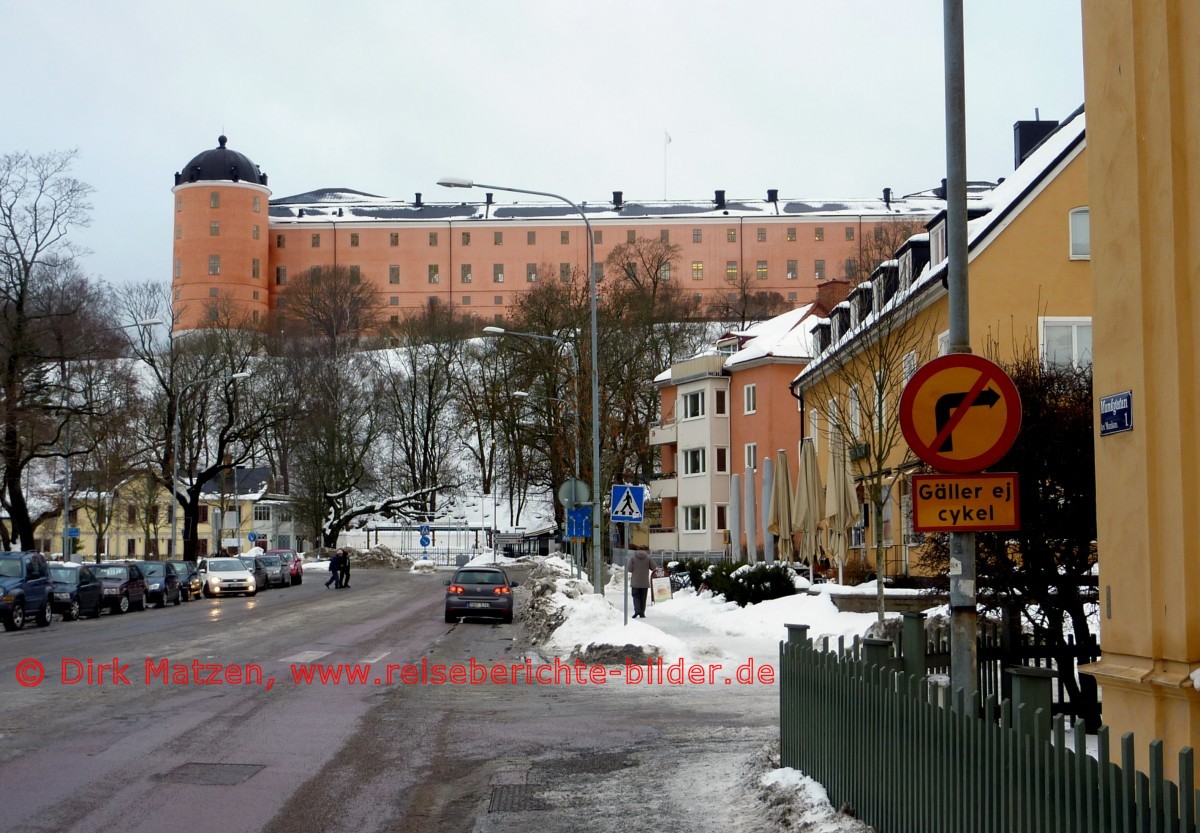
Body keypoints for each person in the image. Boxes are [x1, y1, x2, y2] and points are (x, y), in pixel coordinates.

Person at [628, 550, 656, 619]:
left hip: (635, 582)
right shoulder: (648, 558)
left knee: (635, 596)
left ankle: (637, 610)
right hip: (644, 583)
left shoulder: (632, 559)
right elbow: (654, 568)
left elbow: (629, 569)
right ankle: (642, 613)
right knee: (643, 598)